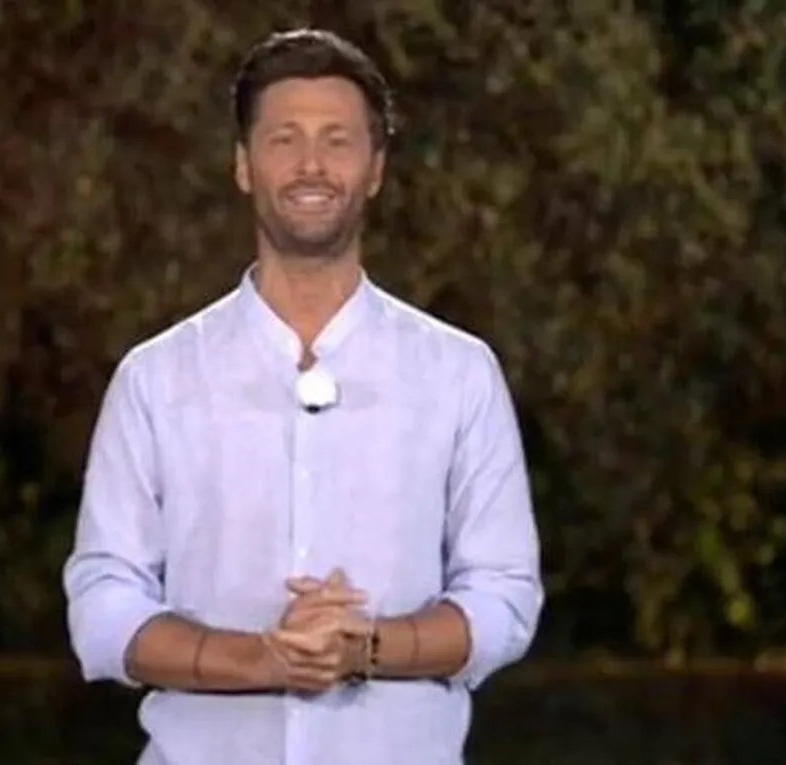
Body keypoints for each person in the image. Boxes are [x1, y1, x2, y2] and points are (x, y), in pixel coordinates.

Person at [63, 27, 543, 765]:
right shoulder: (156, 379)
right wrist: (262, 659)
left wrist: (367, 649)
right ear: (243, 165)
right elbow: (103, 605)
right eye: (285, 140)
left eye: (337, 141)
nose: (311, 165)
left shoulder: (458, 374)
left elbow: (504, 597)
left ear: (376, 169)